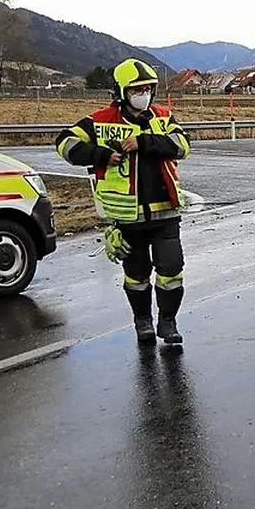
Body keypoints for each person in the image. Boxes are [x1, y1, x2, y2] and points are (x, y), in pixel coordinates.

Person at [55, 58, 191, 346]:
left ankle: (168, 321)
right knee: (136, 276)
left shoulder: (163, 117)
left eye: (148, 89)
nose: (143, 94)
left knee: (172, 270)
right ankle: (143, 321)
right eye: (136, 89)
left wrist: (145, 142)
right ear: (121, 91)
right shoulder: (101, 121)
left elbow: (182, 146)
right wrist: (100, 155)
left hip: (165, 211)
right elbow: (65, 143)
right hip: (127, 216)